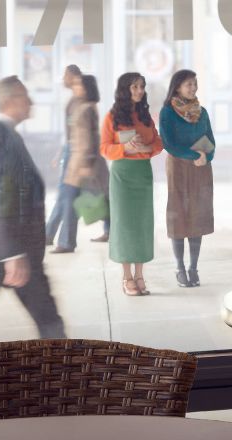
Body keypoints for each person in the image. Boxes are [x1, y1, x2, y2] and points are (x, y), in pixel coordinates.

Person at [0, 76, 66, 338]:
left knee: (49, 318)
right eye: (25, 96)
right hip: (9, 251)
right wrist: (11, 254)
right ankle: (62, 369)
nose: (31, 101)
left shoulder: (9, 136)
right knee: (50, 321)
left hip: (14, 250)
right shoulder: (1, 140)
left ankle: (60, 367)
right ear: (10, 101)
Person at [100, 73, 163, 297]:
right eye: (135, 87)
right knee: (124, 224)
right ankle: (127, 277)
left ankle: (140, 275)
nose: (139, 91)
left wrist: (146, 149)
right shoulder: (112, 116)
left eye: (142, 87)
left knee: (142, 224)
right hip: (122, 175)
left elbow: (157, 142)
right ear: (124, 89)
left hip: (143, 173)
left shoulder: (145, 115)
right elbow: (104, 148)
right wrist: (125, 149)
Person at [159, 69, 215, 288]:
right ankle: (180, 267)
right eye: (188, 84)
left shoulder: (203, 112)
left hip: (201, 168)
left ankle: (193, 267)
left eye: (194, 83)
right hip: (179, 167)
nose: (193, 88)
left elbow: (211, 140)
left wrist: (207, 156)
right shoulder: (167, 112)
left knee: (198, 215)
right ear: (177, 87)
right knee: (179, 215)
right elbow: (168, 143)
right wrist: (195, 155)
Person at [49, 74, 109, 253]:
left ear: (86, 88)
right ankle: (66, 241)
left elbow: (89, 139)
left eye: (78, 85)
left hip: (81, 163)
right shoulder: (81, 106)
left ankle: (66, 242)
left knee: (71, 201)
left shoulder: (87, 108)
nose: (75, 88)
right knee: (73, 200)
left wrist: (86, 163)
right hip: (76, 162)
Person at [46, 64, 82, 249]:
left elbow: (80, 132)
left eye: (65, 75)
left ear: (73, 76)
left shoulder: (80, 100)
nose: (63, 79)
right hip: (71, 150)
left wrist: (74, 155)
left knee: (67, 195)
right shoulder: (74, 99)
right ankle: (50, 234)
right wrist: (62, 151)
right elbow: (71, 132)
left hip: (76, 152)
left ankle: (62, 239)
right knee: (65, 195)